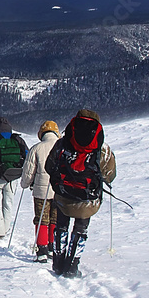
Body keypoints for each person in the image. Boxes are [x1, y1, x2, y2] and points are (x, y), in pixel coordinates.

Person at [45, 109, 116, 278]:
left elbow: (50, 165)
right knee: (80, 229)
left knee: (61, 226)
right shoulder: (102, 148)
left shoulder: (63, 143)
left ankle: (58, 262)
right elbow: (110, 175)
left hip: (63, 194)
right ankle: (72, 266)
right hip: (88, 198)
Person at [20, 120, 61, 262]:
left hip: (40, 191)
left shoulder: (36, 148)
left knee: (42, 219)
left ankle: (41, 250)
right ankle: (53, 247)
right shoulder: (62, 147)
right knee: (55, 219)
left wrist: (25, 184)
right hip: (59, 190)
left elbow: (28, 171)